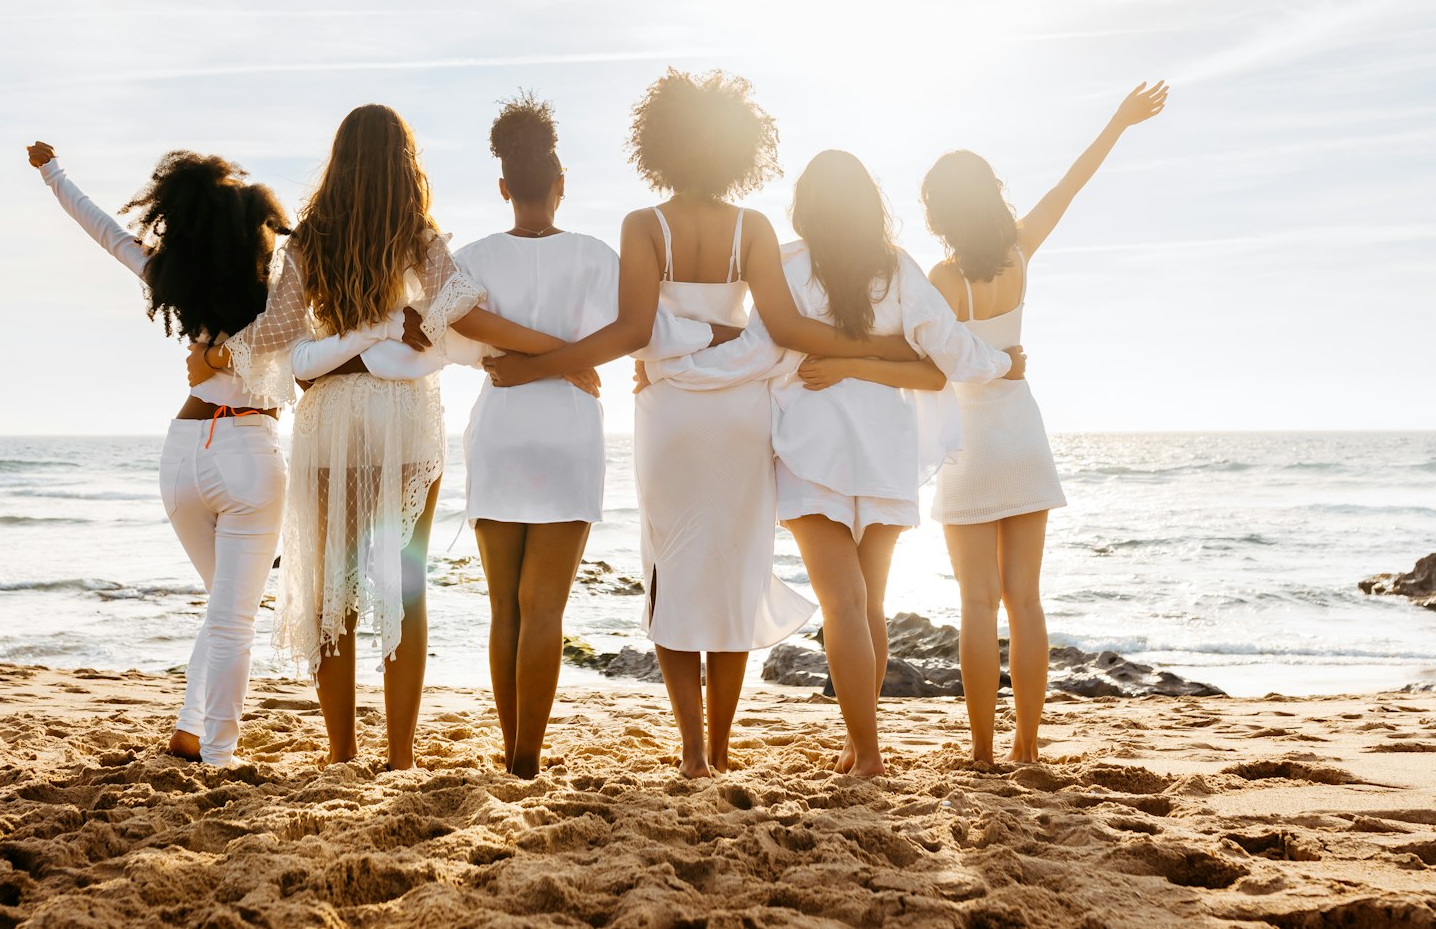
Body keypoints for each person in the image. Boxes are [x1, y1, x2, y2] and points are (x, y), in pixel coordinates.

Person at [480, 70, 920, 778]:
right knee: (733, 569)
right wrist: (736, 343)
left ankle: (690, 751)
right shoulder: (754, 228)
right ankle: (721, 746)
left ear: (659, 146)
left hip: (670, 415)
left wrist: (549, 365)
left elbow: (635, 329)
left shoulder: (641, 224)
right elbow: (778, 330)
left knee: (673, 571)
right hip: (741, 414)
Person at [186, 104, 580, 770]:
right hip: (402, 415)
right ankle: (399, 755)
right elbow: (459, 296)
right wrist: (407, 320)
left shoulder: (309, 239)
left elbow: (280, 335)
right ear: (405, 162)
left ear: (339, 160)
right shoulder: (416, 233)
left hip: (333, 415)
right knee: (405, 586)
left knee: (334, 586)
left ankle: (342, 751)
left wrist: (223, 355)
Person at [21, 140, 395, 768]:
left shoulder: (178, 280)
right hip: (247, 452)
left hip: (182, 455)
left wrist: (53, 173)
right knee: (233, 620)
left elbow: (108, 233)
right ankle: (219, 754)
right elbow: (315, 363)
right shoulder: (280, 301)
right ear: (257, 231)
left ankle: (191, 729)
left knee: (224, 606)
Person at [649, 150, 1021, 776]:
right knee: (867, 604)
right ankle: (859, 747)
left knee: (842, 605)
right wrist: (1004, 362)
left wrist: (669, 365)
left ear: (805, 208)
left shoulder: (789, 266)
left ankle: (869, 755)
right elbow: (947, 349)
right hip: (884, 447)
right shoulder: (898, 269)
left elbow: (753, 353)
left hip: (812, 446)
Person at [444, 92, 731, 777]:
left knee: (503, 608)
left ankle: (510, 749)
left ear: (505, 186)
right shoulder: (597, 255)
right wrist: (725, 331)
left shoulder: (473, 257)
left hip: (501, 431)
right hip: (567, 438)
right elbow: (654, 329)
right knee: (545, 608)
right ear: (561, 186)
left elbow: (447, 334)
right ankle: (528, 757)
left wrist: (518, 363)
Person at [923, 80, 1168, 764]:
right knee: (1024, 600)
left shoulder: (943, 278)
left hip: (969, 443)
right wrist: (1118, 121)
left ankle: (981, 751)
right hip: (1022, 434)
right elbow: (1073, 182)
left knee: (977, 604)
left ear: (941, 210)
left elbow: (934, 364)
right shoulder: (1020, 250)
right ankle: (1028, 745)